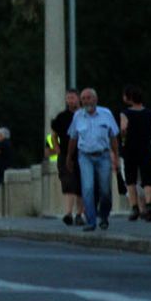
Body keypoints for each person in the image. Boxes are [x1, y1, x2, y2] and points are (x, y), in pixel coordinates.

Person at [67, 87, 121, 230]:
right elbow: (72, 138)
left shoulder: (106, 114)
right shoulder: (77, 116)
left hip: (103, 155)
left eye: (88, 98)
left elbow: (113, 137)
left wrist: (116, 156)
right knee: (88, 188)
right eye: (83, 99)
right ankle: (91, 221)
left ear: (95, 99)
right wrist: (68, 157)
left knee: (105, 190)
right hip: (84, 156)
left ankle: (103, 216)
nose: (86, 101)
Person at [119, 86, 151, 223]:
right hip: (146, 148)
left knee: (131, 179)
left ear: (130, 98)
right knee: (147, 179)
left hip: (130, 149)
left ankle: (134, 208)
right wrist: (150, 139)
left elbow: (123, 129)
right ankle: (149, 206)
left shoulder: (125, 114)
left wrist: (123, 138)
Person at [50, 89, 82, 225]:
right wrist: (57, 150)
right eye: (68, 98)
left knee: (81, 185)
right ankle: (68, 213)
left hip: (82, 153)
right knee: (68, 183)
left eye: (73, 98)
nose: (70, 100)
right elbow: (53, 135)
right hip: (65, 154)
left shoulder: (84, 115)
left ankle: (80, 214)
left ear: (78, 98)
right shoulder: (61, 117)